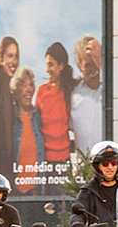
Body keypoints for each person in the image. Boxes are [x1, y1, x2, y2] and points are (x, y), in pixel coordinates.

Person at [36, 42, 75, 174]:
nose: (47, 69)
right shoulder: (41, 91)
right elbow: (35, 125)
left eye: (51, 65)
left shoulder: (70, 92)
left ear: (61, 65)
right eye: (47, 65)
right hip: (44, 159)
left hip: (65, 160)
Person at [11, 66, 45, 192]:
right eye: (24, 85)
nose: (29, 89)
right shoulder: (11, 118)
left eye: (31, 85)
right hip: (15, 190)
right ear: (17, 89)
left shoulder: (38, 117)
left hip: (37, 189)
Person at [69, 34, 103, 157]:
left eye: (96, 62)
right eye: (88, 65)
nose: (94, 69)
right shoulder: (73, 97)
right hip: (85, 170)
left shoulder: (114, 89)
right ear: (79, 67)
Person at [0, 37, 20, 178]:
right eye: (10, 56)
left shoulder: (8, 89)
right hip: (3, 163)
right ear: (1, 57)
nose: (14, 61)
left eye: (16, 56)